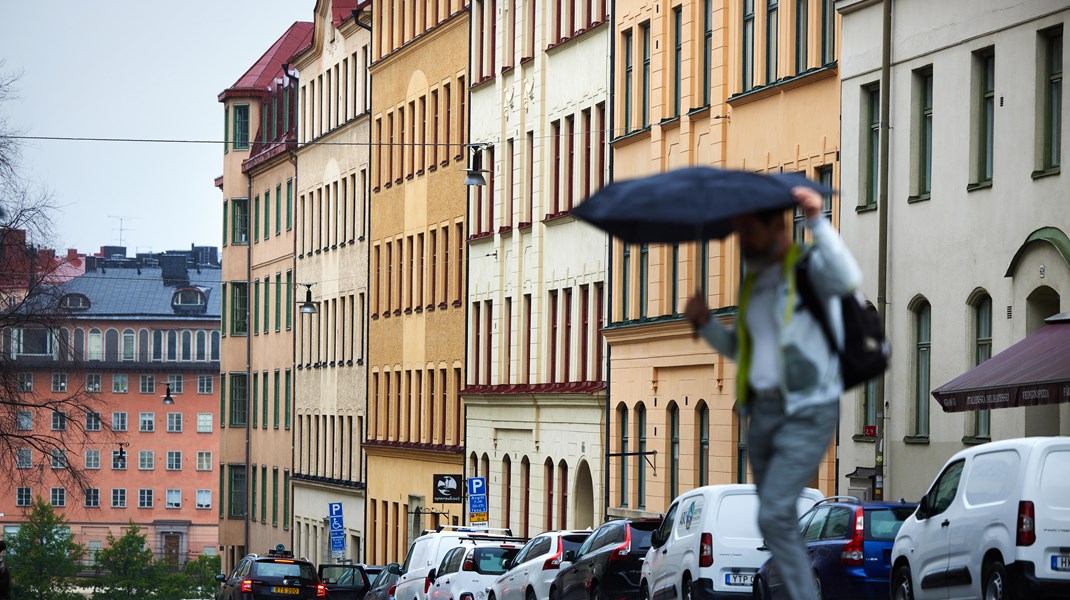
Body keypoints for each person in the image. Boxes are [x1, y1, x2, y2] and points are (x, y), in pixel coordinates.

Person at [684, 185, 861, 600]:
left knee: (777, 512)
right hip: (761, 414)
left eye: (749, 232)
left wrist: (817, 221)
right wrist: (707, 323)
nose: (742, 240)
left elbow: (847, 277)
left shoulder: (807, 268)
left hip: (804, 406)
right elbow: (742, 350)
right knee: (772, 520)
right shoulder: (755, 284)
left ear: (777, 230)